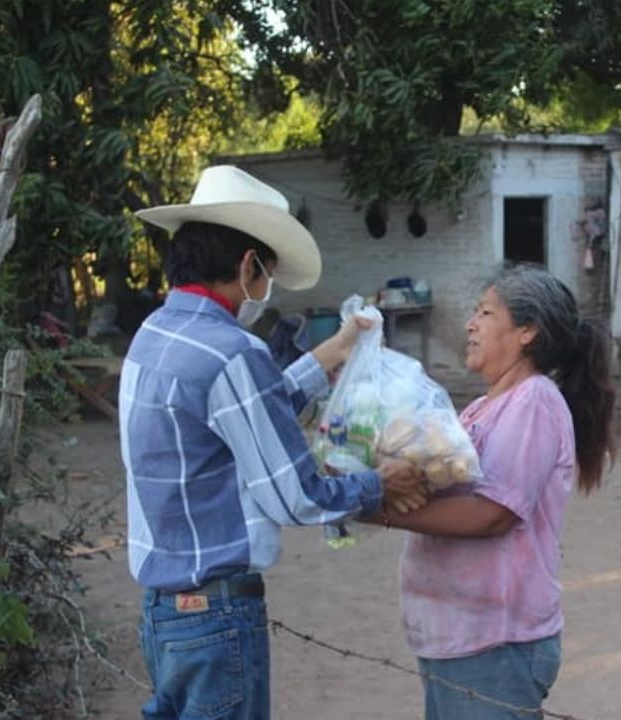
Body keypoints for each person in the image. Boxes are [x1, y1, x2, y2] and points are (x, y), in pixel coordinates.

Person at [121, 165, 426, 719]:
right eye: (267, 274)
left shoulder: (154, 335)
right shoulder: (233, 352)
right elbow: (297, 497)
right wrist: (378, 483)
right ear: (247, 266)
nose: (265, 290)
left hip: (165, 614)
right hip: (216, 619)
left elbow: (240, 418)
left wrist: (331, 353)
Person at [375, 265, 616, 719]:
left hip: (495, 642)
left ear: (527, 331)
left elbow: (492, 513)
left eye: (485, 312)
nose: (471, 324)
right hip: (455, 636)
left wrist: (375, 508)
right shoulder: (483, 408)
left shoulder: (534, 401)